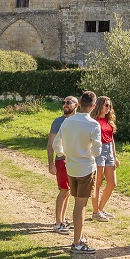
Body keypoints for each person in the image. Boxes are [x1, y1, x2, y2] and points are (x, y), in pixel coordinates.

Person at [53, 90, 102, 254]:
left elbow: (56, 144)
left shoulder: (67, 122)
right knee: (81, 206)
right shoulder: (94, 125)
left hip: (71, 167)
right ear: (94, 106)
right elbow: (96, 151)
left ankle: (79, 236)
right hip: (86, 168)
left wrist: (63, 154)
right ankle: (77, 243)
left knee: (77, 203)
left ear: (79, 103)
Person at [47, 95, 79, 234]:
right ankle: (58, 223)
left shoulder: (79, 121)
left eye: (69, 102)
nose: (65, 105)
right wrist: (50, 163)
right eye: (64, 102)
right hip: (61, 161)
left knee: (69, 192)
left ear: (76, 105)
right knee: (64, 190)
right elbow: (51, 144)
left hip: (74, 161)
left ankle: (63, 219)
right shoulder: (58, 122)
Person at [90, 96, 120, 221]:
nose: (108, 108)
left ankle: (101, 209)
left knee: (112, 183)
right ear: (99, 105)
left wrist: (115, 156)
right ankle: (96, 212)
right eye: (106, 105)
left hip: (109, 151)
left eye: (109, 106)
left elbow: (112, 139)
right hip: (98, 151)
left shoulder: (109, 121)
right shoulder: (94, 120)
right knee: (97, 183)